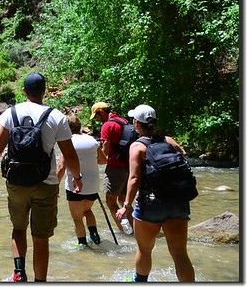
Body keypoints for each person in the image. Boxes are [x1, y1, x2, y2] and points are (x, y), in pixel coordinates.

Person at [0, 72, 82, 283]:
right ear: (44, 91)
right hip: (46, 183)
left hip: (17, 182)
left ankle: (19, 274)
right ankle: (40, 281)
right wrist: (77, 177)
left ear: (24, 91)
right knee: (41, 238)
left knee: (18, 228)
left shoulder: (10, 114)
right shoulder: (56, 116)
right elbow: (70, 156)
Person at [115, 105, 195, 282]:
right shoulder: (170, 141)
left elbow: (134, 178)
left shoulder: (137, 147)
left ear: (136, 123)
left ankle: (141, 282)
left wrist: (126, 206)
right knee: (180, 253)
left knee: (144, 250)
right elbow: (183, 163)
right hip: (177, 202)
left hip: (150, 205)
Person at [57, 113, 107, 246]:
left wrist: (54, 186)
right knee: (87, 211)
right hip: (93, 183)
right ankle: (94, 235)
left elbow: (62, 167)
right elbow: (103, 160)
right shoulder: (91, 140)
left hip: (75, 185)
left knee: (77, 218)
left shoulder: (68, 143)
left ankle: (83, 244)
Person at [90, 101, 133, 233]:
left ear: (101, 112)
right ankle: (136, 229)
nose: (97, 120)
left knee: (110, 200)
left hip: (116, 167)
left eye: (96, 116)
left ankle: (124, 232)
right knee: (124, 200)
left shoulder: (107, 125)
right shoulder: (123, 121)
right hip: (129, 165)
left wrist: (95, 156)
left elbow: (106, 151)